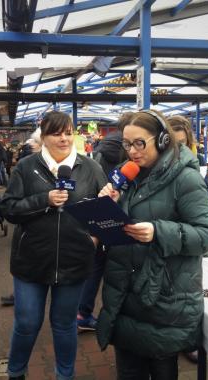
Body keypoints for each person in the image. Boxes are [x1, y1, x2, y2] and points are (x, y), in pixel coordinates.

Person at [97, 110, 208, 380]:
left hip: (163, 298)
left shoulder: (186, 179)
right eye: (126, 144)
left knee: (162, 370)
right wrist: (107, 207)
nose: (131, 151)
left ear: (163, 140)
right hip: (124, 294)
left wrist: (158, 231)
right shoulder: (123, 175)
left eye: (139, 143)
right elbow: (114, 227)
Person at [2, 111, 107, 380]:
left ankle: (65, 375)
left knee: (64, 325)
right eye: (56, 133)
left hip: (74, 262)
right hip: (31, 260)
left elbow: (105, 213)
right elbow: (9, 209)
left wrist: (93, 238)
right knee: (26, 323)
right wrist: (43, 200)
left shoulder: (91, 168)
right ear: (44, 136)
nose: (64, 138)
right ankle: (15, 373)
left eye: (68, 132)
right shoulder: (27, 167)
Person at [76, 112, 134, 332]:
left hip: (101, 207)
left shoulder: (101, 148)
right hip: (118, 208)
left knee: (96, 264)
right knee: (121, 265)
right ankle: (117, 316)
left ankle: (82, 312)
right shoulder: (128, 152)